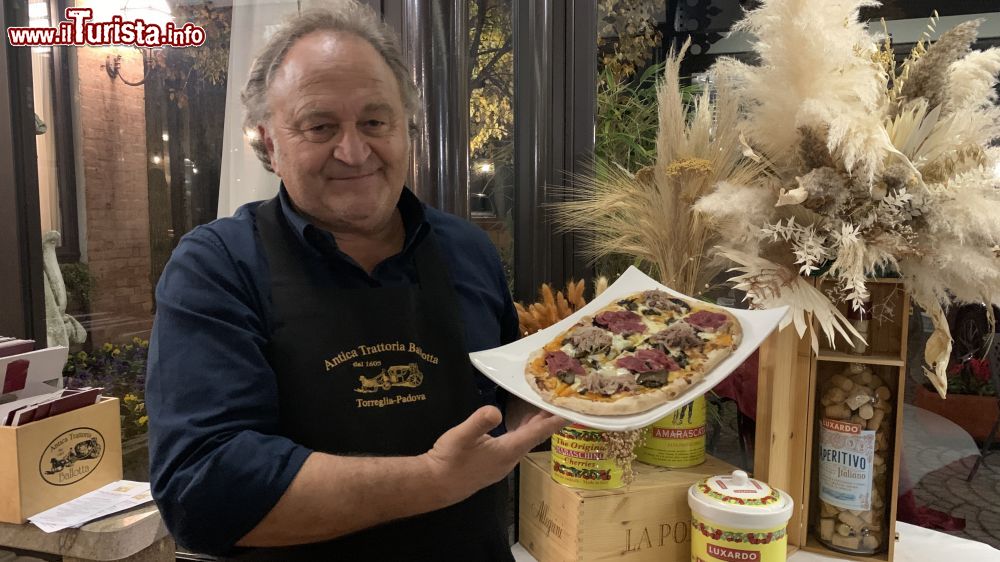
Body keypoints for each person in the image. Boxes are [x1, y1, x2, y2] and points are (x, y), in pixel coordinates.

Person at [144, 3, 566, 560]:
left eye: (375, 122)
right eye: (320, 126)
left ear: (406, 128)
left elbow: (501, 400)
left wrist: (570, 401)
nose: (354, 151)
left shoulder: (467, 249)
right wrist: (432, 479)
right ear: (269, 143)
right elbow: (202, 490)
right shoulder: (218, 266)